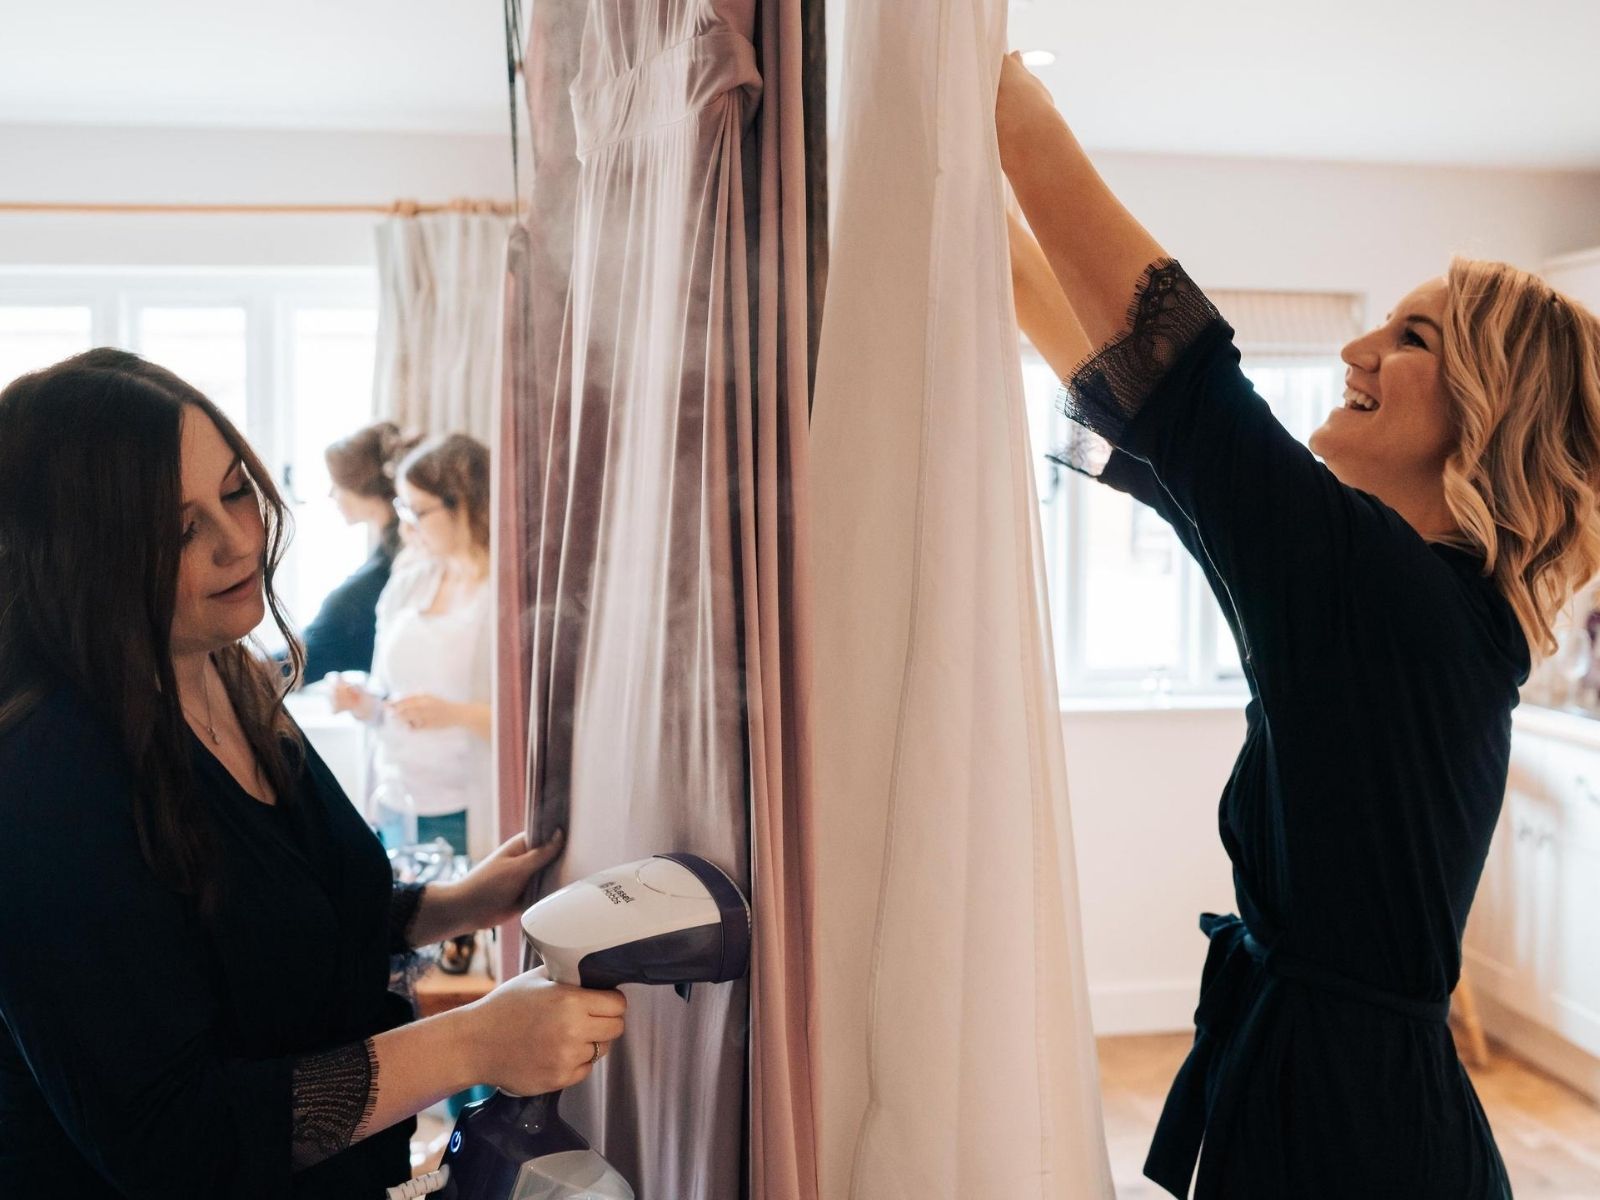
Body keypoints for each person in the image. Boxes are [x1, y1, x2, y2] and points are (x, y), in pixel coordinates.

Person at [997, 53, 1600, 1200]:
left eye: (1411, 338)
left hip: (1353, 1134)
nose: (1356, 351)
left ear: (1487, 416)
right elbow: (1145, 408)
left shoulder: (1386, 597)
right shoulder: (1388, 601)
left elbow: (1183, 376)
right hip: (1341, 1099)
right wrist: (985, 222)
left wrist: (997, 90)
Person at [0, 350, 624, 1199]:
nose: (238, 541)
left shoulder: (226, 670)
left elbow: (291, 917)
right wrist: (472, 1044)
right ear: (79, 557)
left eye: (233, 492)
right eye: (179, 529)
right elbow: (175, 1137)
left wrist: (462, 904)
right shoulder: (43, 779)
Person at [331, 434, 494, 866]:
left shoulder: (501, 599)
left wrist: (455, 714)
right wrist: (365, 703)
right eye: (401, 509)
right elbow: (390, 690)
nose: (405, 527)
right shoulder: (409, 582)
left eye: (417, 511)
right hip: (397, 798)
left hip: (466, 805)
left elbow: (534, 726)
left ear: (465, 505)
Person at [295, 421, 420, 685]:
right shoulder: (386, 557)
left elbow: (301, 662)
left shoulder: (391, 571)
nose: (331, 494)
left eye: (337, 484)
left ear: (365, 490)